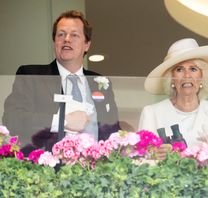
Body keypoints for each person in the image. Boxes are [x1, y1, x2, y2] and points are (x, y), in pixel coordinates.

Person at [2, 10, 120, 154]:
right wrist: (63, 121)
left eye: (74, 35)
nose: (67, 39)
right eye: (61, 34)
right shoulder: (32, 76)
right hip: (45, 171)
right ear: (55, 41)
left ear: (87, 44)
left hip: (94, 172)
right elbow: (12, 118)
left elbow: (113, 130)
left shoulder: (101, 82)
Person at [138, 38, 208, 147]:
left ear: (202, 76)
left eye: (193, 69)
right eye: (179, 69)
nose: (187, 75)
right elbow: (141, 157)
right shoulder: (151, 113)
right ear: (172, 78)